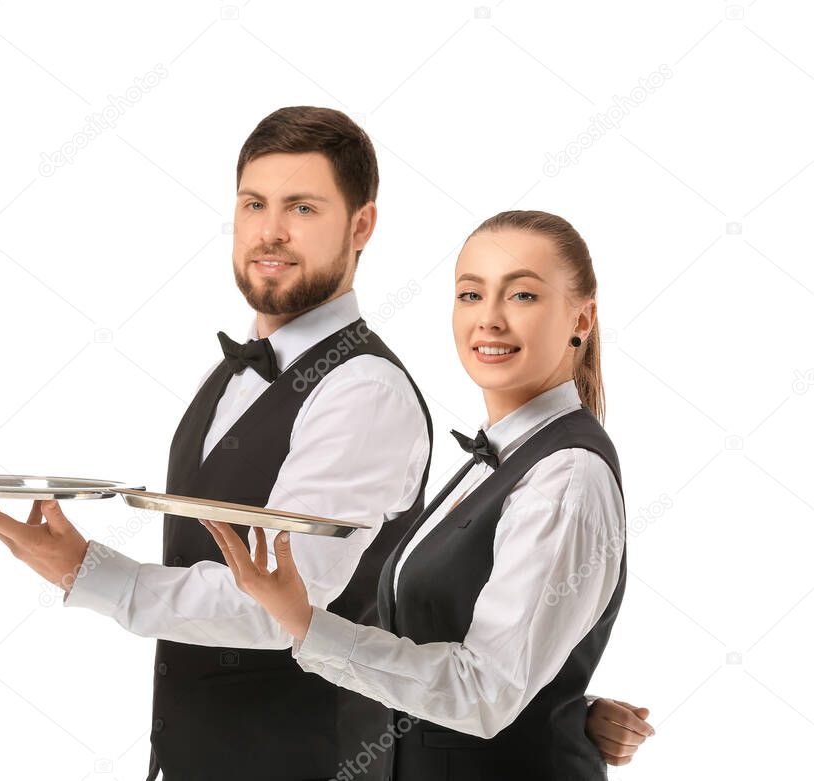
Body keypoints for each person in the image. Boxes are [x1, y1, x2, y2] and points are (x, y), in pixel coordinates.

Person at [0, 110, 652, 780]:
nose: (270, 231)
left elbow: (298, 608)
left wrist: (89, 570)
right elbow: (436, 631)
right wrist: (564, 707)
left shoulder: (375, 394)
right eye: (254, 203)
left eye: (301, 208)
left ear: (362, 226)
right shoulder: (241, 376)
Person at [203, 209, 650, 779]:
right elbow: (494, 666)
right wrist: (567, 709)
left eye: (522, 297)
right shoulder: (498, 457)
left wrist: (305, 622)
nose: (489, 320)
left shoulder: (566, 476)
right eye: (470, 294)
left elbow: (486, 693)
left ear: (580, 319)